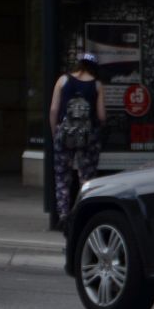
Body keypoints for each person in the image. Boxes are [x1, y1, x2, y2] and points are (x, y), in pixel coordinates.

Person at [49, 52, 105, 229]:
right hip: (88, 139)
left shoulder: (63, 80)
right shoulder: (97, 85)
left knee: (62, 178)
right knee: (86, 179)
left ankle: (64, 215)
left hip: (64, 137)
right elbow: (102, 116)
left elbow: (53, 110)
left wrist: (55, 133)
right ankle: (82, 215)